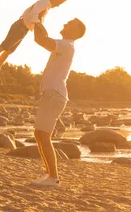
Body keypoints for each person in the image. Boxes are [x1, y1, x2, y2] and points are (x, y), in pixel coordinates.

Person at [30, 18, 86, 187]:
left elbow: (41, 39)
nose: (64, 24)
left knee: (44, 135)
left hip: (55, 95)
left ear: (76, 31)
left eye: (68, 24)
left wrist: (37, 19)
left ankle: (53, 177)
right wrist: (36, 21)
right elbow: (38, 38)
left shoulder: (67, 46)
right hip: (51, 94)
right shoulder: (63, 45)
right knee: (39, 134)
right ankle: (49, 173)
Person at [0, 0, 68, 84]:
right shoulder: (43, 3)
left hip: (24, 29)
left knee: (9, 50)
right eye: (59, 2)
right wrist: (40, 26)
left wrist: (40, 27)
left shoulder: (46, 6)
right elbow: (33, 15)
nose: (58, 5)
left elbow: (37, 18)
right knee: (4, 46)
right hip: (20, 26)